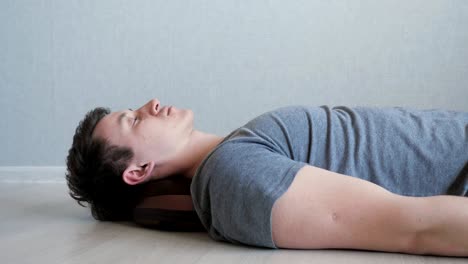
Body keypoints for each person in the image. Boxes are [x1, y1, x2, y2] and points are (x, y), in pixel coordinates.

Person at [66, 98, 468, 256]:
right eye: (134, 120)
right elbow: (412, 227)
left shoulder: (235, 154)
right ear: (137, 172)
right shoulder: (233, 175)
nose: (151, 102)